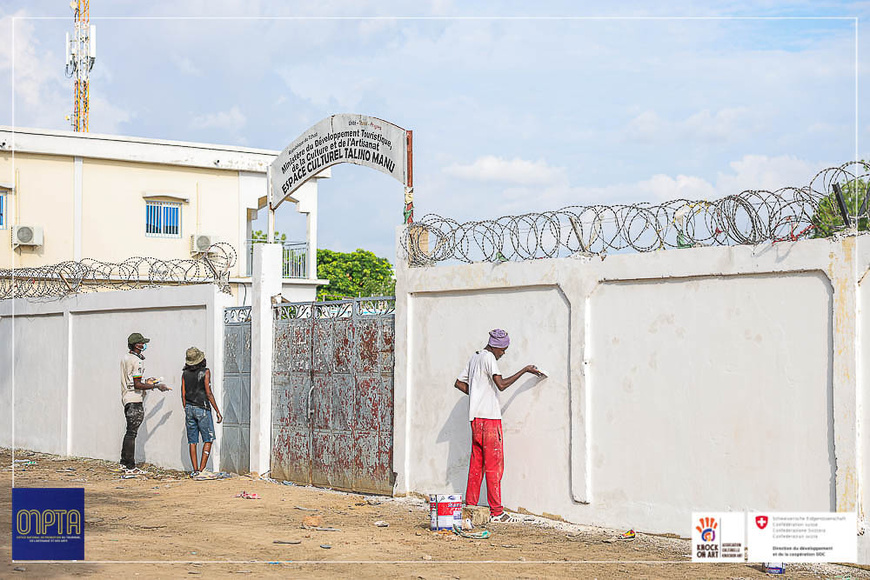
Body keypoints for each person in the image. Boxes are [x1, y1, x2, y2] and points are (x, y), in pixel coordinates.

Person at [454, 328, 543, 522]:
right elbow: (501, 385)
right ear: (495, 346)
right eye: (503, 349)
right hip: (489, 420)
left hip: (476, 420)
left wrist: (477, 394)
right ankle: (496, 512)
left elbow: (459, 383)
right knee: (494, 466)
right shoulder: (489, 358)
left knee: (476, 466)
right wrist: (525, 370)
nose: (503, 353)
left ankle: (470, 507)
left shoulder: (475, 357)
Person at [120, 332, 171, 473]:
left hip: (126, 397)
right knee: (132, 433)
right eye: (142, 343)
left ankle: (124, 462)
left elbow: (132, 380)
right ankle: (130, 466)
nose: (144, 345)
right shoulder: (137, 361)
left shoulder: (126, 358)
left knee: (129, 432)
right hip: (135, 399)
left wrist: (147, 382)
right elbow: (137, 384)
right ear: (137, 345)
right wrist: (156, 386)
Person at [181, 346, 222, 477]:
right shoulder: (205, 372)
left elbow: (183, 393)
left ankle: (195, 470)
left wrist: (186, 408)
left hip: (189, 408)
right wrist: (217, 411)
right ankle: (201, 469)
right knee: (208, 439)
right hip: (202, 408)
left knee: (192, 441)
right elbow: (208, 393)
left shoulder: (184, 374)